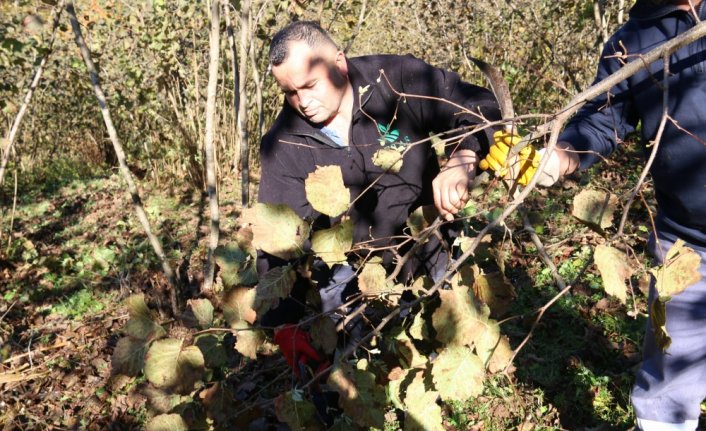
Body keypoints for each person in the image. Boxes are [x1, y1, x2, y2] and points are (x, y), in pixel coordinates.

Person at [481, 1, 706, 429]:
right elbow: (603, 124)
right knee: (668, 390)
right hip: (687, 248)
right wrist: (553, 159)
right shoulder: (631, 41)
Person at [256, 20, 500, 380]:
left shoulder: (395, 79)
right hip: (351, 268)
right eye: (290, 93)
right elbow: (277, 243)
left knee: (448, 338)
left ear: (339, 64)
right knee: (350, 372)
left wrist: (464, 158)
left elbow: (479, 104)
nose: (302, 102)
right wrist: (282, 326)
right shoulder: (284, 144)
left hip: (426, 235)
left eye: (309, 85)